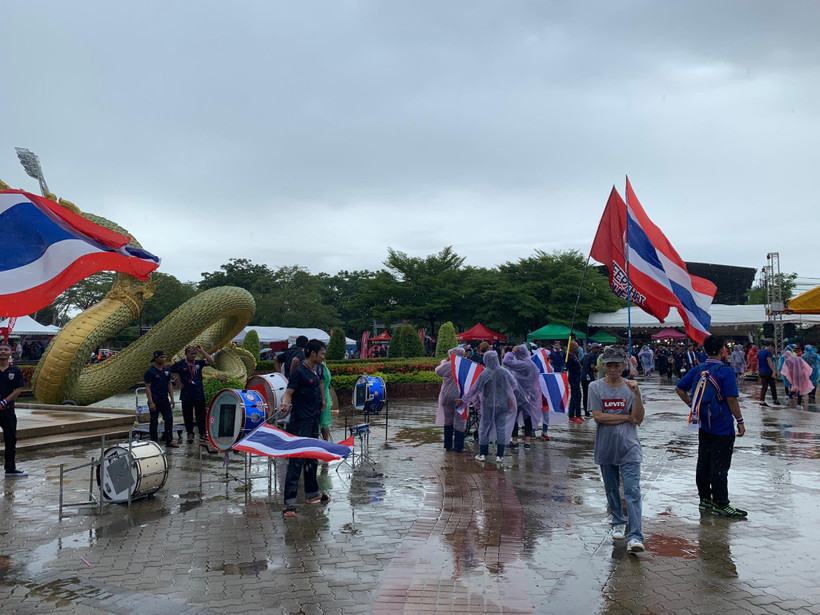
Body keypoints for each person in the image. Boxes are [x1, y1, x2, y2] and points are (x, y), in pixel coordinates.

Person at [675, 336, 747, 518]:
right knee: (720, 466)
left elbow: (679, 388)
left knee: (704, 462)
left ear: (705, 350)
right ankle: (722, 504)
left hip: (703, 424)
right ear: (723, 350)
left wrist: (692, 405)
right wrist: (740, 420)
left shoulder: (698, 369)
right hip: (722, 426)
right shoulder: (726, 372)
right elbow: (731, 399)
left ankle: (705, 499)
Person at [588, 346, 645, 552]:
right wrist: (624, 417)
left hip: (629, 447)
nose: (613, 369)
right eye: (609, 365)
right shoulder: (595, 387)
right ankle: (618, 521)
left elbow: (638, 418)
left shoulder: (631, 388)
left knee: (632, 491)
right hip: (606, 447)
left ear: (624, 366)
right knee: (611, 489)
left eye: (617, 365)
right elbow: (598, 417)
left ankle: (636, 536)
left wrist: (637, 395)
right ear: (603, 366)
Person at [278, 339, 330, 517]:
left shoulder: (317, 369)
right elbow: (288, 393)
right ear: (313, 353)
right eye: (322, 353)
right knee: (296, 461)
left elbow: (320, 384)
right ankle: (289, 503)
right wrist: (284, 403)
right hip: (300, 422)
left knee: (312, 457)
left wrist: (322, 401)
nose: (323, 356)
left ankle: (312, 494)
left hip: (313, 420)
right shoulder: (299, 372)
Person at [462, 350, 517, 462]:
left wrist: (464, 400)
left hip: (488, 405)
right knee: (501, 428)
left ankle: (483, 454)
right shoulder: (504, 372)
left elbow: (475, 389)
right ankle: (500, 455)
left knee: (484, 428)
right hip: (503, 405)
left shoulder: (485, 373)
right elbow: (513, 384)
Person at [170, 345, 214, 445]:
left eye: (195, 354)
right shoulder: (180, 364)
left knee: (201, 415)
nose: (193, 356)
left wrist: (202, 351)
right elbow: (171, 371)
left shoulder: (198, 363)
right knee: (187, 415)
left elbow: (211, 360)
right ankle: (190, 433)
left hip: (198, 392)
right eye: (191, 354)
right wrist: (176, 380)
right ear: (186, 354)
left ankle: (203, 433)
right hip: (186, 393)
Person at [503, 345, 542, 450]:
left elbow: (506, 362)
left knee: (514, 418)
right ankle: (527, 442)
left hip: (517, 395)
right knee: (527, 418)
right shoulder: (531, 365)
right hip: (528, 395)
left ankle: (515, 441)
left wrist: (511, 351)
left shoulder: (522, 364)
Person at [0, 343, 27, 477]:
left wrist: (5, 401)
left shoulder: (15, 370)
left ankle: (10, 468)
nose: (3, 352)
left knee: (10, 439)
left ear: (11, 353)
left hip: (8, 410)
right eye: (1, 350)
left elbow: (18, 389)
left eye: (6, 350)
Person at [435, 348, 468, 452]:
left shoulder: (449, 364)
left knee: (448, 419)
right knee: (460, 421)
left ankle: (448, 445)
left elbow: (438, 372)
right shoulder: (466, 365)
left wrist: (445, 362)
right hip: (461, 397)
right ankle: (458, 447)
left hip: (447, 395)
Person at [144, 350, 178, 448]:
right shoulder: (150, 372)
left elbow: (169, 384)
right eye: (161, 357)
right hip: (155, 399)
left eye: (164, 357)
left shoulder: (167, 370)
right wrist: (151, 402)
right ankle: (153, 441)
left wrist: (172, 398)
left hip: (164, 399)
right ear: (156, 358)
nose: (163, 359)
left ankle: (169, 440)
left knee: (169, 419)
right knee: (154, 421)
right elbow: (147, 387)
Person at [757, 342, 780, 407]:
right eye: (773, 348)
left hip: (762, 372)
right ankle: (775, 400)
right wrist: (774, 371)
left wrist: (758, 371)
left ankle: (762, 401)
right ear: (770, 346)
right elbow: (769, 361)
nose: (773, 349)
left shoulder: (759, 352)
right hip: (768, 371)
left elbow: (758, 362)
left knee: (764, 386)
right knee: (773, 386)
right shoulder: (769, 352)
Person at [581, 344, 601, 417]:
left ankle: (586, 410)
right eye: (597, 348)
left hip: (583, 376)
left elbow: (581, 363)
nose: (598, 349)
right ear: (593, 349)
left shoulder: (586, 355)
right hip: (589, 377)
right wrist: (596, 370)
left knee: (585, 394)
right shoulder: (594, 355)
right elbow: (592, 366)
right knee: (590, 394)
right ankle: (588, 411)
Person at [566, 341, 583, 423]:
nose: (578, 349)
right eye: (576, 347)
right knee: (574, 396)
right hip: (573, 378)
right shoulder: (569, 357)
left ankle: (578, 414)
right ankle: (572, 415)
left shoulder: (574, 356)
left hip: (577, 377)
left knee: (579, 396)